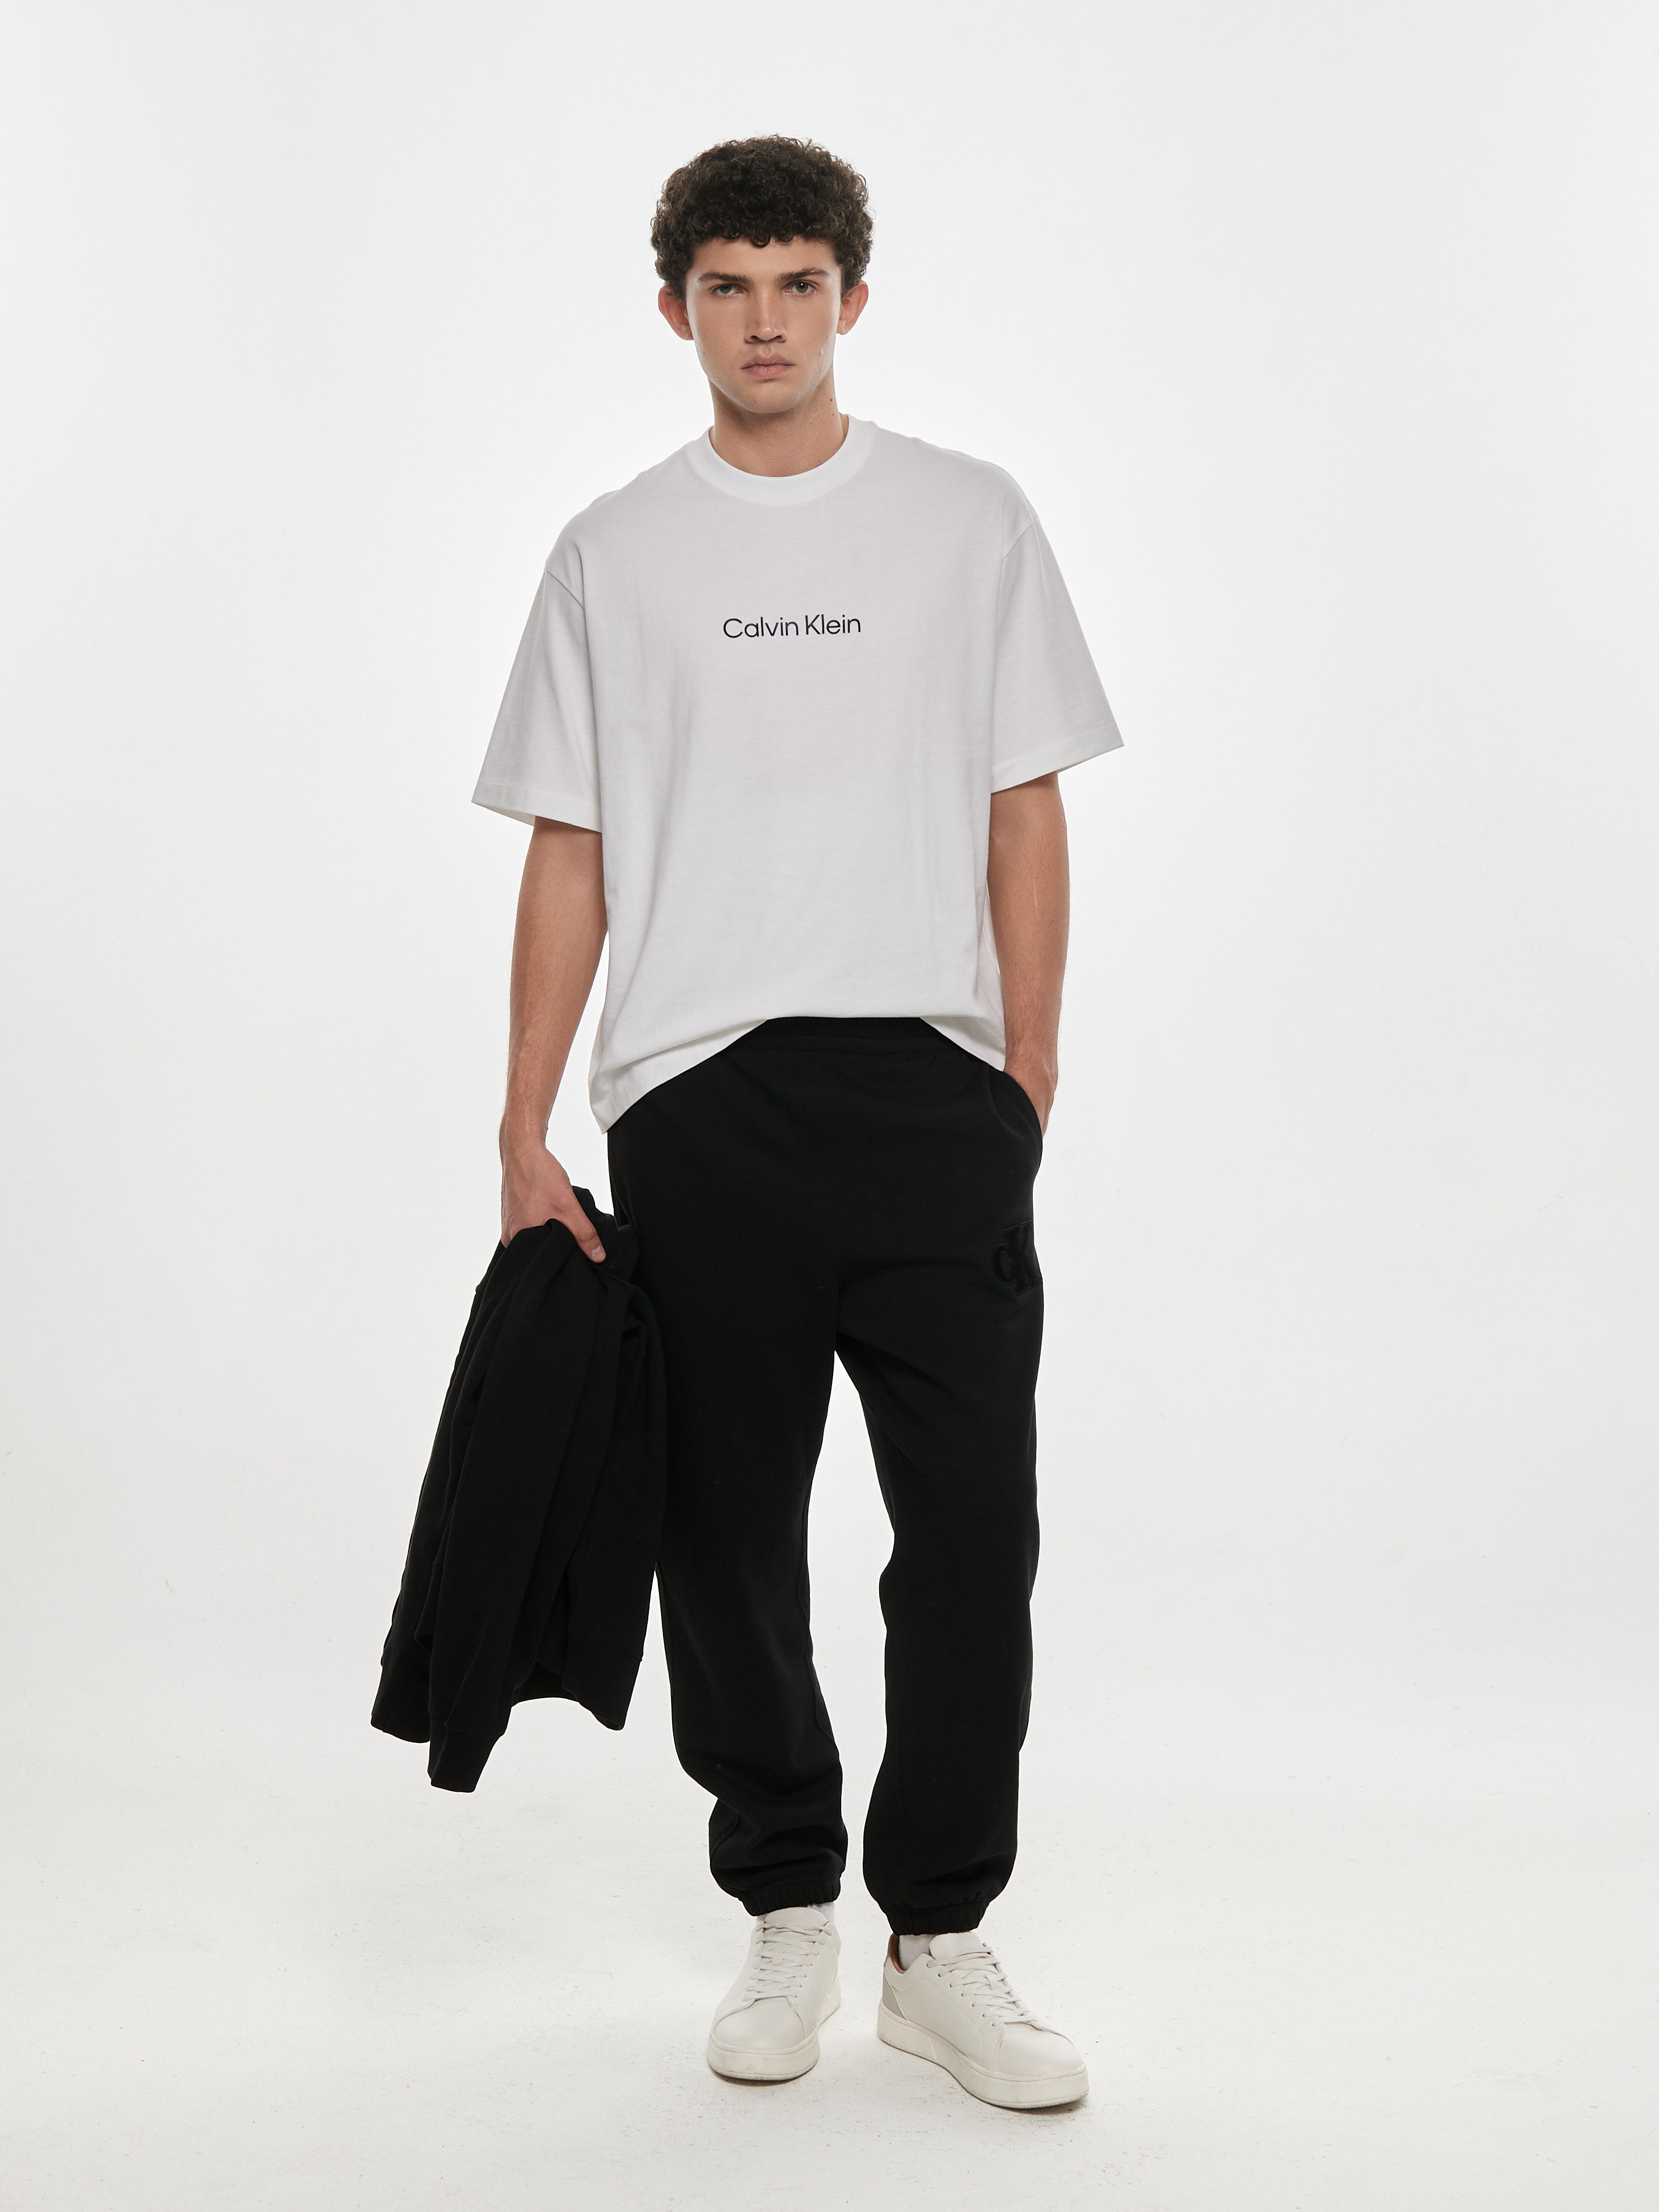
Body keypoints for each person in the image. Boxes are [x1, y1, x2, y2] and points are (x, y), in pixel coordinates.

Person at [472, 136, 1121, 2109]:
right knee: (727, 1534)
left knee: (974, 1534)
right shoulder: (615, 550)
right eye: (730, 287)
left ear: (853, 297)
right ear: (677, 308)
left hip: (930, 1090)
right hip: (702, 1093)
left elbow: (1025, 801)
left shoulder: (967, 519)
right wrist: (524, 1119)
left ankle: (939, 1939)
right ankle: (782, 1905)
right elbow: (572, 844)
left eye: (801, 283)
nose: (767, 321)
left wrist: (1024, 1070)